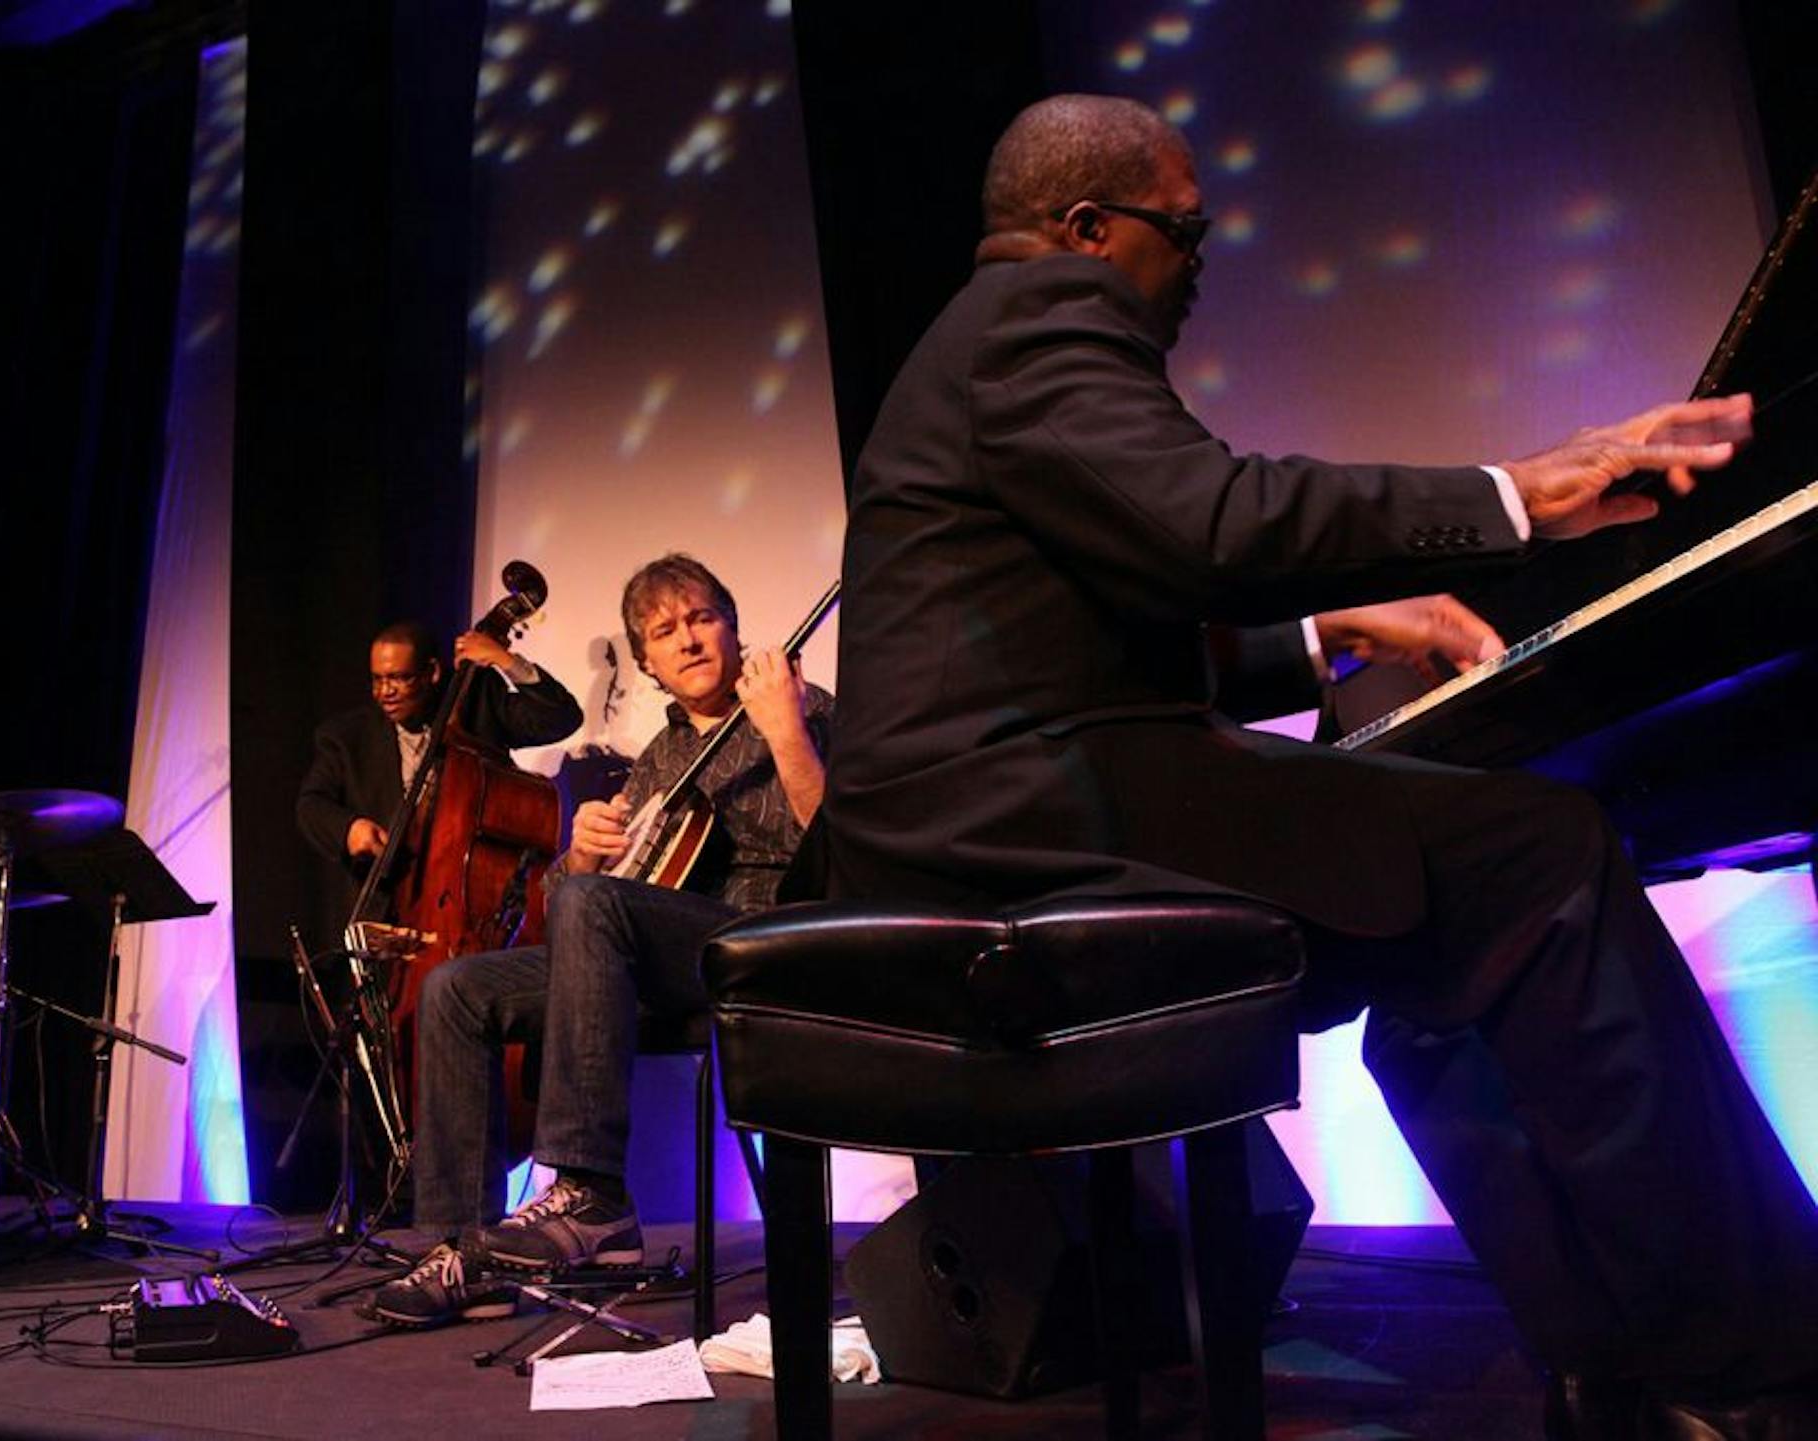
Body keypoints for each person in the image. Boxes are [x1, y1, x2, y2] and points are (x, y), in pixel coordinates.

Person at [823, 95, 1817, 1436]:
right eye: (1189, 232)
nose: (1195, 268)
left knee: (1448, 922)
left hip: (1000, 813)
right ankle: (1753, 1379)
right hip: (1030, 833)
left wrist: (1325, 631)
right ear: (1086, 228)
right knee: (1543, 856)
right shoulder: (1041, 320)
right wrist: (1517, 490)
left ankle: (1615, 1356)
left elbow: (1087, 630)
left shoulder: (973, 350)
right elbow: (1215, 522)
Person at [362, 554, 832, 1329]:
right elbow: (580, 901)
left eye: (701, 618)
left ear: (733, 626)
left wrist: (785, 733)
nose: (686, 639)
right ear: (646, 663)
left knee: (593, 904)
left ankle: (590, 1188)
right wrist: (583, 855)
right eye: (663, 631)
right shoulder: (660, 761)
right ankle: (464, 1248)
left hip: (759, 945)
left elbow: (846, 852)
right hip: (658, 956)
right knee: (456, 987)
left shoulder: (801, 706)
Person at [296, 619, 582, 887]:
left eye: (398, 678)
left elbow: (561, 718)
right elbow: (312, 805)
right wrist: (349, 829)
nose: (385, 692)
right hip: (389, 900)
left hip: (471, 888)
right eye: (377, 679)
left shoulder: (475, 706)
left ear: (431, 673)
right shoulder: (347, 737)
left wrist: (506, 661)